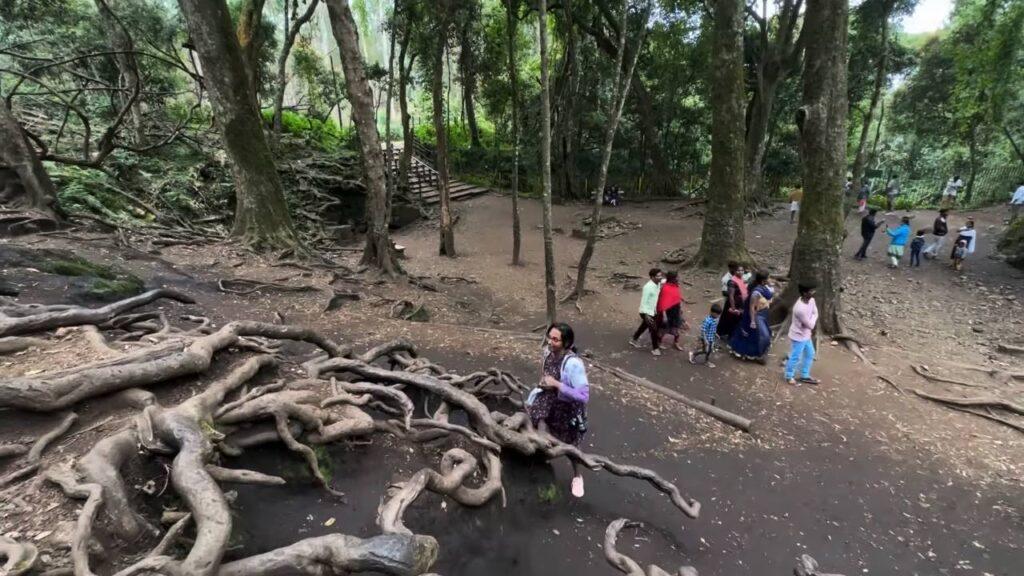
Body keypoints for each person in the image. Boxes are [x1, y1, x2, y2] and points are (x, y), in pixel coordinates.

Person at [527, 323, 590, 498]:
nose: (550, 341)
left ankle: (577, 476)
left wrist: (557, 384)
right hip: (547, 402)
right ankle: (540, 462)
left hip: (567, 409)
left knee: (571, 445)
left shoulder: (573, 364)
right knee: (540, 430)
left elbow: (584, 396)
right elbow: (546, 376)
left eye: (555, 339)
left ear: (566, 342)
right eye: (549, 337)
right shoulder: (548, 353)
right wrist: (544, 384)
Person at [729, 270, 774, 364]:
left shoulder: (764, 287)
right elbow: (751, 308)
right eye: (768, 278)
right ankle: (758, 355)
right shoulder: (756, 293)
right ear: (763, 281)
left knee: (762, 334)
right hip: (756, 316)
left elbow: (769, 296)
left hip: (763, 314)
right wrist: (753, 321)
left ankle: (761, 352)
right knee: (762, 335)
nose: (770, 279)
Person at [784, 284, 820, 386]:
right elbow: (810, 325)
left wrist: (812, 319)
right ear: (804, 293)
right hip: (798, 336)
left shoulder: (811, 300)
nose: (813, 293)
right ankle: (789, 376)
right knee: (796, 356)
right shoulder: (799, 309)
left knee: (810, 353)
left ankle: (804, 375)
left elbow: (816, 313)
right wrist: (813, 319)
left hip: (806, 334)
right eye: (811, 291)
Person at [630, 268, 663, 356]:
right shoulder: (648, 287)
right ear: (652, 277)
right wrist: (646, 315)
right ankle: (655, 349)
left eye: (661, 275)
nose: (660, 277)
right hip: (646, 312)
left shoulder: (658, 283)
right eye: (658, 276)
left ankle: (634, 339)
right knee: (654, 329)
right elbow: (644, 302)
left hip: (653, 311)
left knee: (644, 326)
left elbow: (664, 280)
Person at [656, 271, 688, 351]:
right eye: (677, 277)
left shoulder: (675, 286)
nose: (678, 278)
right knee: (664, 330)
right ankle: (658, 342)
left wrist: (680, 312)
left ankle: (676, 343)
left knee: (676, 330)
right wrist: (664, 315)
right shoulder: (666, 288)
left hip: (676, 312)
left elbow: (676, 297)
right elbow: (663, 302)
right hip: (668, 313)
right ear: (672, 278)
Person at [717, 263, 748, 340]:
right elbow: (731, 296)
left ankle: (732, 334)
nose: (740, 272)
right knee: (729, 319)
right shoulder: (732, 282)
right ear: (735, 271)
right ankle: (722, 334)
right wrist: (733, 308)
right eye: (738, 270)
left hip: (740, 303)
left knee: (736, 321)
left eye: (742, 270)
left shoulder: (741, 279)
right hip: (733, 304)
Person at [689, 302, 722, 368]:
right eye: (717, 314)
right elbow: (703, 330)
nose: (718, 316)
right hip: (706, 339)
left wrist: (715, 334)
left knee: (708, 350)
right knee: (706, 350)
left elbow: (712, 329)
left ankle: (695, 355)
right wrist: (705, 340)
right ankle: (698, 356)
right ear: (713, 313)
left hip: (710, 338)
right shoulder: (707, 321)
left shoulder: (714, 320)